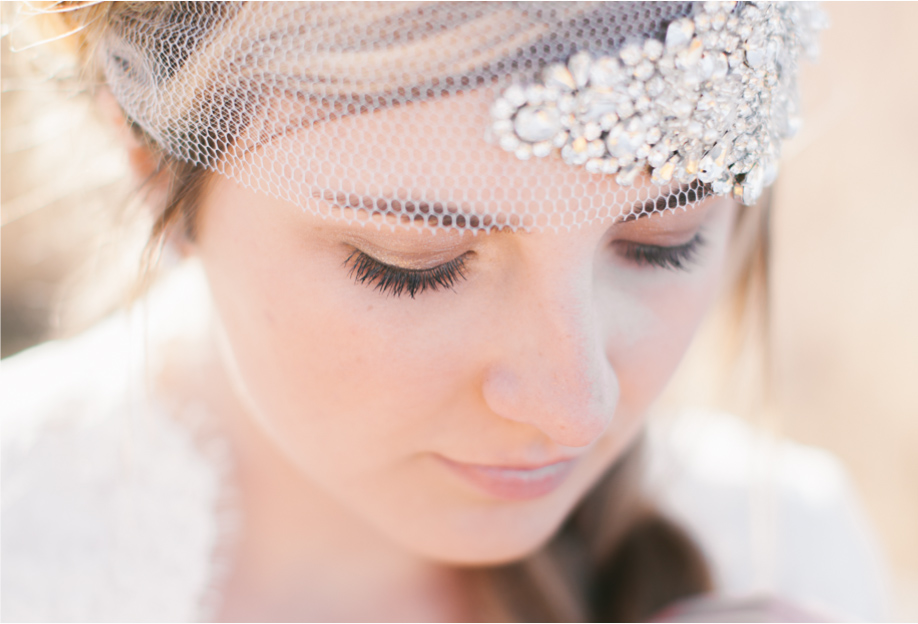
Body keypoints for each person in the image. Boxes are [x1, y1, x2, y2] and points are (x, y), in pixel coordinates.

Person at [1, 2, 888, 622]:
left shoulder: (789, 549)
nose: (573, 406)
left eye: (664, 242)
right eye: (411, 267)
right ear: (151, 155)